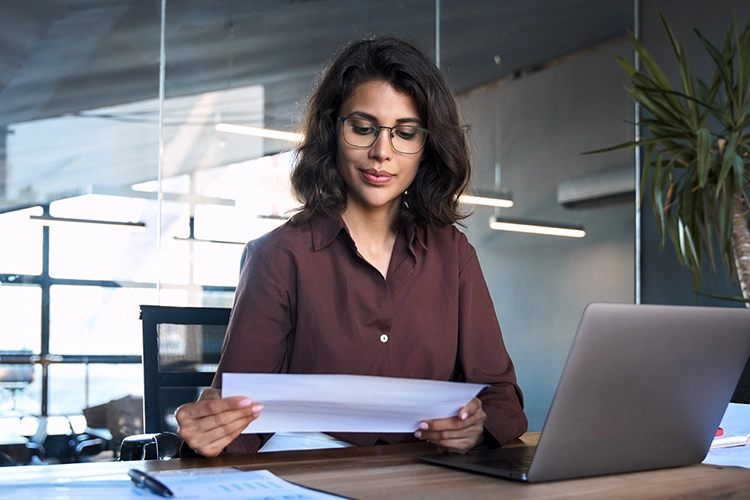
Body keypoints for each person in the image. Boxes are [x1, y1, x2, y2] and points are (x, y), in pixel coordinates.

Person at [175, 35, 527, 457]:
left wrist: (476, 427)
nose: (382, 152)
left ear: (426, 148)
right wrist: (210, 432)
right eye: (363, 128)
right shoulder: (277, 257)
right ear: (332, 131)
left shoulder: (453, 255)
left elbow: (502, 398)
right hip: (310, 469)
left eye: (406, 133)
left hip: (425, 475)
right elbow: (237, 421)